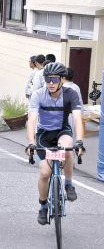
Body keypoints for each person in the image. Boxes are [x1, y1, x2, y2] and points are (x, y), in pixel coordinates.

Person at [25, 62, 85, 225]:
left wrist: (79, 141)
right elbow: (31, 121)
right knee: (45, 173)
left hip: (62, 131)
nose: (50, 83)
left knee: (67, 146)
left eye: (54, 79)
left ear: (61, 80)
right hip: (44, 135)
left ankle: (68, 184)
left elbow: (78, 119)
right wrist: (31, 143)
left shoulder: (70, 94)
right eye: (47, 79)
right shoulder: (38, 94)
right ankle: (43, 206)